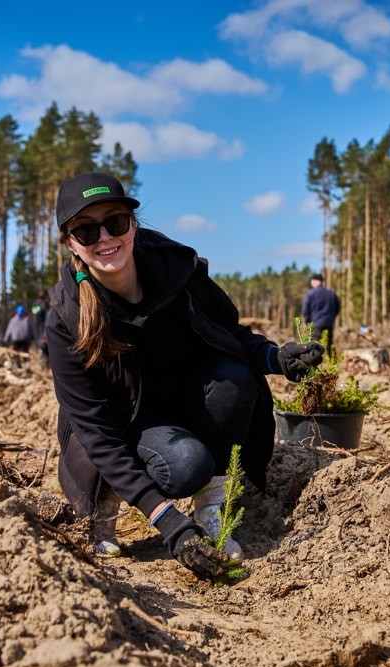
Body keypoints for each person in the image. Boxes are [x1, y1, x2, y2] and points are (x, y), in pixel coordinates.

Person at [45, 171, 323, 580]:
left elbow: (229, 333)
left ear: (133, 225)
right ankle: (106, 498)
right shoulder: (66, 319)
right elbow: (96, 433)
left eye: (115, 222)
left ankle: (211, 512)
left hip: (174, 407)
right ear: (71, 243)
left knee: (235, 379)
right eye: (86, 230)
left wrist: (276, 358)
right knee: (185, 466)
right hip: (115, 431)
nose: (105, 238)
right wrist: (168, 522)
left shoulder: (179, 270)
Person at [301, 272, 341, 355]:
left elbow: (305, 310)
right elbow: (337, 308)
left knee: (314, 346)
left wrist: (308, 323)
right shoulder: (331, 294)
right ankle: (332, 364)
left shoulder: (310, 293)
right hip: (328, 324)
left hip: (315, 324)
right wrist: (331, 318)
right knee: (329, 345)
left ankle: (315, 366)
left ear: (315, 281)